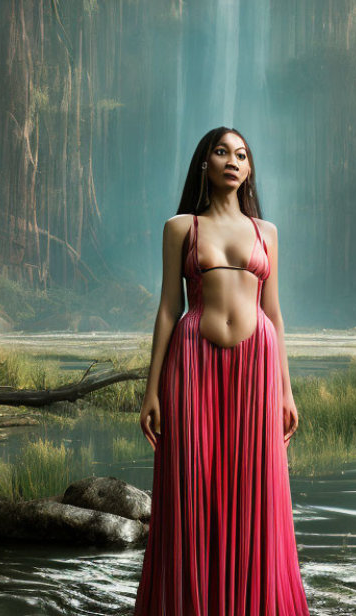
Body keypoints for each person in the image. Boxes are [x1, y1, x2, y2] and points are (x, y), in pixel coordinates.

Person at [134, 127, 311, 615]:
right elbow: (169, 308)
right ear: (204, 164)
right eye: (221, 152)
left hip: (258, 366)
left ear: (249, 169)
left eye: (241, 154)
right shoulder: (180, 227)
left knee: (256, 493)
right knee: (192, 490)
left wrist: (286, 392)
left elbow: (273, 314)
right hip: (192, 365)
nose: (232, 161)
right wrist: (151, 391)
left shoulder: (266, 232)